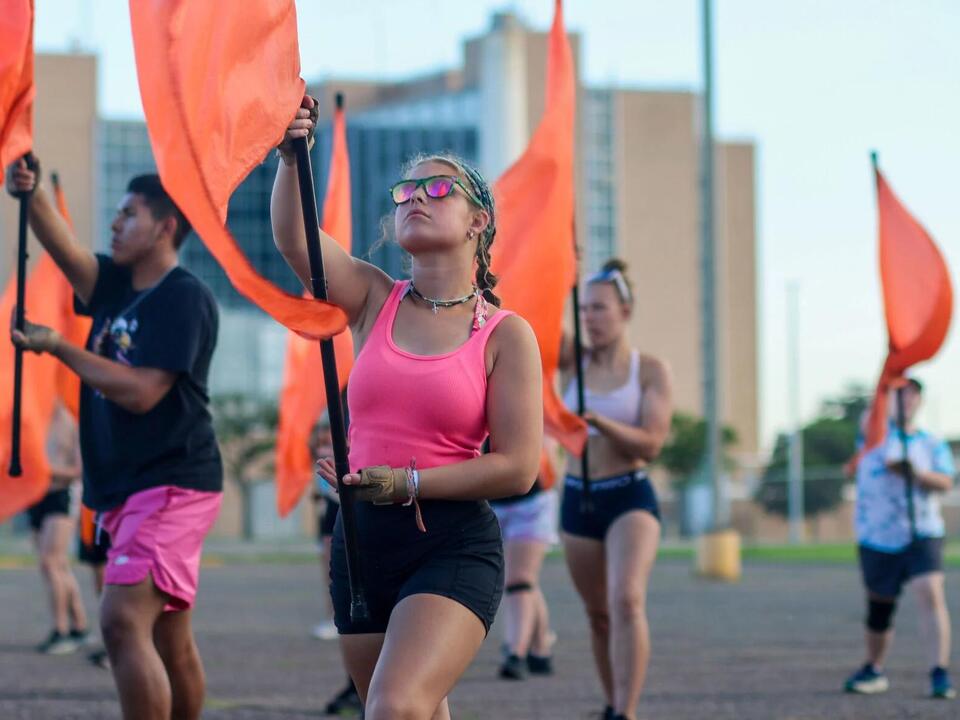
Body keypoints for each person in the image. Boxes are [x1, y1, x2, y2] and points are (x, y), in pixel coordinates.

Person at [272, 95, 543, 720]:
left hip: (451, 543)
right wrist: (292, 157)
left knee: (395, 706)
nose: (415, 197)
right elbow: (296, 242)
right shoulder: (373, 297)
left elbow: (518, 468)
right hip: (361, 543)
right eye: (405, 191)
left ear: (479, 222)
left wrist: (409, 482)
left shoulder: (504, 333)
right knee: (410, 708)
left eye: (439, 188)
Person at [7, 160, 223, 720]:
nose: (115, 224)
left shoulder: (184, 297)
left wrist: (58, 346)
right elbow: (67, 254)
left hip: (171, 482)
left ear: (166, 225)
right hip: (129, 488)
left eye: (129, 214)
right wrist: (30, 196)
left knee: (121, 619)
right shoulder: (115, 288)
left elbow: (143, 391)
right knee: (169, 638)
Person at [559, 259, 672, 720]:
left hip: (629, 496)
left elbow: (651, 443)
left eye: (600, 309)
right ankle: (612, 704)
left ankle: (626, 711)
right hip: (577, 496)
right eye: (584, 309)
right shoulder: (571, 362)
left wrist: (600, 422)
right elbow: (531, 305)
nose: (590, 317)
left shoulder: (648, 370)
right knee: (598, 615)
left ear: (625, 311)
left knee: (626, 599)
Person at [844, 378, 956, 700]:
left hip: (921, 533)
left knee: (930, 591)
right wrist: (886, 384)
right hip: (877, 535)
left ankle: (939, 672)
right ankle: (873, 667)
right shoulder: (873, 435)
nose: (905, 400)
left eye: (911, 395)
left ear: (919, 400)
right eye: (898, 394)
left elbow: (945, 481)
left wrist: (915, 474)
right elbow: (871, 419)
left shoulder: (930, 443)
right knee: (880, 606)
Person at [309, 419, 362, 715]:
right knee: (346, 604)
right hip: (338, 517)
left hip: (360, 514)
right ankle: (355, 686)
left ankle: (361, 688)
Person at [27, 402, 89, 655]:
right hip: (36, 495)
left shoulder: (69, 422)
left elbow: (78, 471)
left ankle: (61, 630)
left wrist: (46, 470)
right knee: (57, 565)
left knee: (51, 562)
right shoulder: (32, 421)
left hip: (62, 495)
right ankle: (80, 626)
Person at [489, 467, 558, 680]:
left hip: (532, 503)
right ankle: (540, 648)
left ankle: (515, 652)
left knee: (519, 581)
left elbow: (550, 462)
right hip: (489, 502)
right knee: (524, 581)